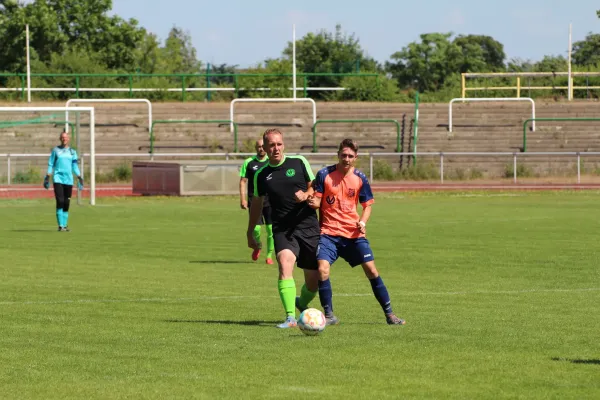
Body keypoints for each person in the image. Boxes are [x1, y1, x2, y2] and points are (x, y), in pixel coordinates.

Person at [308, 138, 406, 325]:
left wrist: (362, 221)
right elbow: (318, 201)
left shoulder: (360, 178)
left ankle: (390, 314)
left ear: (355, 157)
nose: (346, 158)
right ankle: (329, 316)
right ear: (338, 154)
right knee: (322, 270)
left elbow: (367, 205)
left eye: (350, 156)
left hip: (353, 235)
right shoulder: (324, 175)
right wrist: (312, 202)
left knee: (371, 270)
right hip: (328, 233)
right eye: (343, 155)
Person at [247, 128, 320, 328]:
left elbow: (314, 185)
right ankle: (290, 317)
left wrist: (306, 195)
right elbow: (256, 204)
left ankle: (301, 302)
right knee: (284, 262)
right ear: (265, 147)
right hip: (283, 228)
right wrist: (250, 231)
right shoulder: (261, 174)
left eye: (279, 144)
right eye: (271, 145)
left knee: (314, 279)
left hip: (307, 226)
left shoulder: (298, 162)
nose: (276, 148)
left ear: (283, 144)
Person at [239, 139, 274, 264]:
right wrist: (243, 199)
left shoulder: (271, 162)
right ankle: (258, 246)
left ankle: (269, 255)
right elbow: (243, 181)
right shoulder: (249, 162)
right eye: (258, 147)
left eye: (263, 147)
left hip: (270, 200)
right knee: (256, 229)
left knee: (271, 229)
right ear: (255, 148)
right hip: (254, 200)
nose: (261, 149)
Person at [44, 131, 84, 232]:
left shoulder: (72, 152)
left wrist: (79, 177)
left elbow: (74, 166)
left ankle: (65, 226)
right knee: (60, 201)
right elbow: (50, 164)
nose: (64, 139)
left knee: (66, 202)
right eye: (62, 137)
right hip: (58, 179)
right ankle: (60, 225)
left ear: (68, 139)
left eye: (65, 137)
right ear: (60, 138)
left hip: (69, 180)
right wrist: (47, 176)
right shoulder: (56, 150)